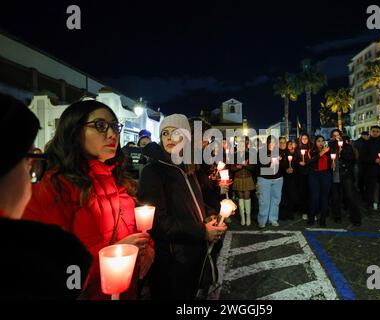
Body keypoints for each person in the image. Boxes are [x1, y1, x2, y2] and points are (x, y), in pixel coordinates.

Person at [23, 100, 154, 300]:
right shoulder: (54, 185)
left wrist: (148, 248)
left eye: (115, 126)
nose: (112, 134)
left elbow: (135, 230)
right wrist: (110, 255)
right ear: (74, 130)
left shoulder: (117, 180)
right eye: (100, 126)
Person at [0, 93, 92, 299]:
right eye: (30, 162)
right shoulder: (52, 254)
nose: (112, 135)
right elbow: (72, 282)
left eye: (115, 126)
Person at [138, 114, 227, 300]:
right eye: (165, 133)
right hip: (172, 259)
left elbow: (193, 202)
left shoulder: (186, 167)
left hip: (192, 252)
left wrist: (212, 215)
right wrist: (202, 231)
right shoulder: (153, 171)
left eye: (176, 132)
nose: (169, 138)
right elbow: (157, 221)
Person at [328, 130, 362, 226]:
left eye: (337, 135)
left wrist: (342, 153)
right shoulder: (329, 147)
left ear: (341, 136)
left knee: (350, 196)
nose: (336, 137)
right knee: (335, 197)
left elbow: (352, 159)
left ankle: (355, 217)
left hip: (345, 174)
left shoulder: (347, 146)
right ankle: (337, 216)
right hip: (334, 174)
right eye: (334, 136)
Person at [256, 136, 286, 228]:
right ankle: (262, 220)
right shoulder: (262, 152)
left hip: (278, 179)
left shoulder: (279, 152)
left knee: (276, 200)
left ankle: (273, 219)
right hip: (264, 179)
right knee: (264, 201)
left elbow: (284, 166)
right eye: (270, 142)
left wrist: (281, 161)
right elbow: (259, 166)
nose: (271, 144)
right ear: (267, 143)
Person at [230, 137, 255, 226]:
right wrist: (238, 167)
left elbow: (252, 167)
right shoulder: (234, 155)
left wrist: (245, 165)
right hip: (238, 178)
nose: (241, 147)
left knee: (247, 196)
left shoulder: (250, 154)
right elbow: (231, 168)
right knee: (240, 197)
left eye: (242, 145)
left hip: (247, 178)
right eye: (239, 145)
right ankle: (242, 217)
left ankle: (248, 217)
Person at [308, 135, 333, 227]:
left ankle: (323, 219)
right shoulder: (312, 151)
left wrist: (332, 163)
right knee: (314, 197)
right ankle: (311, 217)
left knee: (324, 197)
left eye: (322, 141)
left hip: (326, 175)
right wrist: (322, 152)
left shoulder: (328, 151)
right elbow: (312, 161)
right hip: (314, 175)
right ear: (315, 142)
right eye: (318, 141)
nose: (321, 143)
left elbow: (331, 161)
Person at [279, 139, 300, 220]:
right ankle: (282, 214)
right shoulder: (279, 153)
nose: (291, 145)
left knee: (291, 195)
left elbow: (296, 163)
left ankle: (290, 213)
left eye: (292, 143)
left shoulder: (292, 153)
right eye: (281, 142)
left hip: (291, 177)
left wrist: (292, 169)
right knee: (283, 196)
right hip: (282, 177)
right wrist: (285, 170)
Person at [298, 133, 312, 221]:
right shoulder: (298, 149)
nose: (304, 140)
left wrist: (307, 162)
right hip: (301, 174)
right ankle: (304, 211)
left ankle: (312, 211)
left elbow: (314, 158)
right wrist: (299, 162)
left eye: (306, 138)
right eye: (303, 138)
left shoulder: (311, 148)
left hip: (310, 172)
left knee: (311, 192)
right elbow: (295, 159)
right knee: (303, 193)